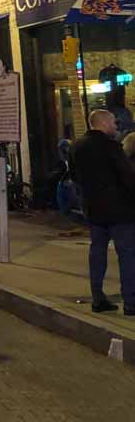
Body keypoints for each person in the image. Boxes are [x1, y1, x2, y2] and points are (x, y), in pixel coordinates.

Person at [72, 109, 135, 315]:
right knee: (126, 254)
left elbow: (75, 178)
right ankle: (130, 301)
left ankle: (98, 298)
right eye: (114, 124)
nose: (116, 127)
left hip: (93, 209)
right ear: (104, 124)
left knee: (97, 252)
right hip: (120, 211)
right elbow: (127, 177)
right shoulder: (111, 147)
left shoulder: (76, 147)